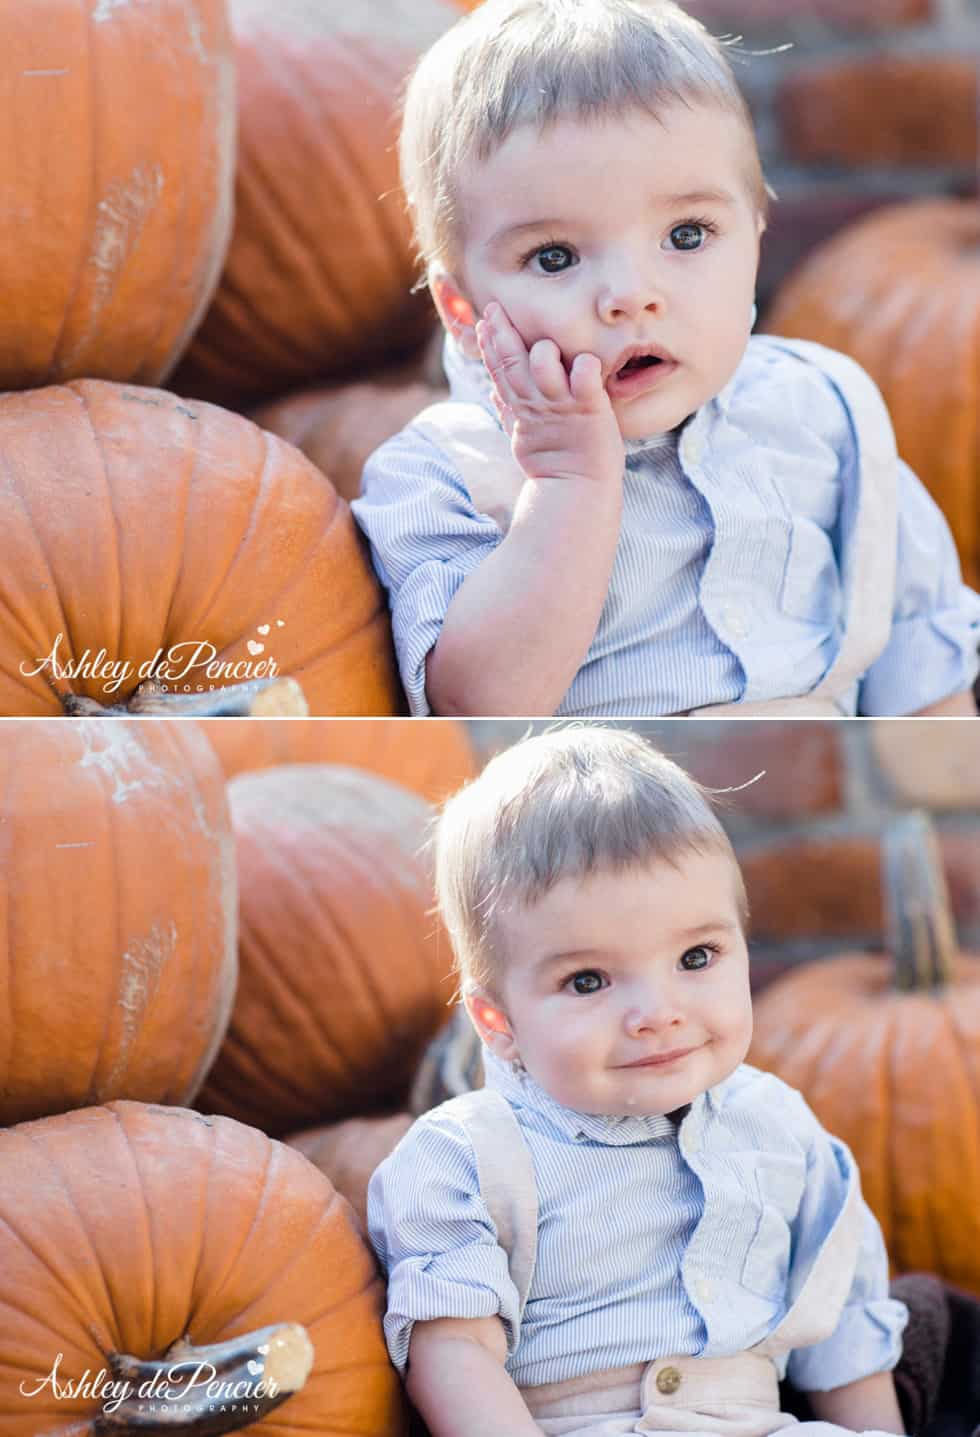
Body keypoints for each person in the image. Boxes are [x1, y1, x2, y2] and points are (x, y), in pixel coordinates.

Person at [350, 0, 980, 719]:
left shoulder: (825, 414)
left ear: (755, 235)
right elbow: (481, 702)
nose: (630, 296)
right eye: (554, 257)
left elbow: (922, 663)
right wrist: (568, 485)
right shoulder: (443, 475)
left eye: (687, 235)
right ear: (461, 311)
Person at [367, 726, 909, 1437]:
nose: (657, 1013)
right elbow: (456, 1353)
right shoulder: (467, 1157)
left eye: (696, 956)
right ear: (496, 1019)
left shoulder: (778, 1126)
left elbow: (843, 1323)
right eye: (587, 979)